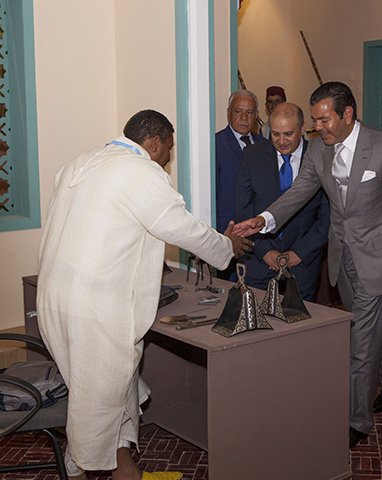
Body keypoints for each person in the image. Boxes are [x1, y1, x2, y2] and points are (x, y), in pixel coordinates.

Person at [36, 110, 253, 480]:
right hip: (95, 307)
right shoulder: (141, 172)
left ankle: (124, 468)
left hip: (54, 297)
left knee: (108, 385)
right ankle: (77, 466)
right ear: (154, 143)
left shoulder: (81, 162)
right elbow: (184, 228)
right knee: (96, 402)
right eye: (168, 148)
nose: (168, 158)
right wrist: (226, 246)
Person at [233, 82, 382, 449]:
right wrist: (264, 220)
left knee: (359, 343)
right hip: (341, 258)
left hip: (376, 256)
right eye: (315, 121)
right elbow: (298, 193)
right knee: (363, 331)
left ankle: (356, 420)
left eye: (324, 120)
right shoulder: (320, 151)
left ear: (347, 114)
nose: (317, 128)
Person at [235, 102, 330, 300]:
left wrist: (299, 253)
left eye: (288, 134)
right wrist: (265, 252)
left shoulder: (321, 158)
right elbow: (243, 209)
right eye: (275, 134)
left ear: (302, 128)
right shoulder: (253, 155)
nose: (281, 141)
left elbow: (327, 217)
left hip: (303, 261)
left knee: (299, 316)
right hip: (259, 258)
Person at [215, 90, 266, 279]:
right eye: (238, 111)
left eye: (250, 112)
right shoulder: (215, 144)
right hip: (229, 235)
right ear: (229, 113)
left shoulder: (265, 145)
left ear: (256, 115)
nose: (244, 118)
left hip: (261, 237)